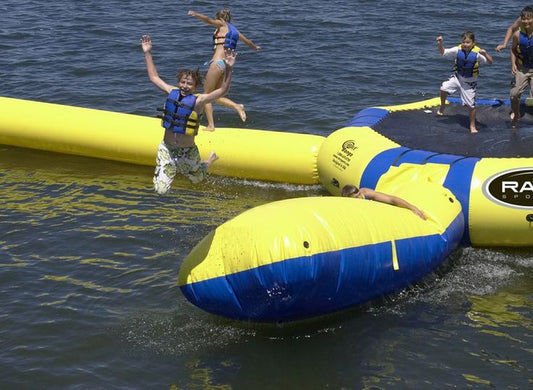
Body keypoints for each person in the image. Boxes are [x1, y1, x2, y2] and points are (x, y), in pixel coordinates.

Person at [141, 34, 236, 195]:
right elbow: (154, 77)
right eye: (183, 82)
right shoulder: (171, 91)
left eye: (189, 83)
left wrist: (228, 68)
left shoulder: (199, 101)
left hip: (188, 150)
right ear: (179, 82)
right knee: (161, 190)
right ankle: (170, 169)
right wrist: (147, 52)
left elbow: (222, 90)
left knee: (198, 179)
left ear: (195, 86)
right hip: (168, 149)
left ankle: (210, 160)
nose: (185, 86)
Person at [188, 9, 261, 130]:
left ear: (220, 18)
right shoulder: (234, 31)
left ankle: (211, 125)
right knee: (215, 95)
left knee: (206, 95)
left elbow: (208, 20)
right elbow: (248, 42)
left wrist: (196, 14)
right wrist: (255, 47)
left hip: (216, 64)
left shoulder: (221, 24)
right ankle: (237, 106)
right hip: (226, 65)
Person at [436, 31, 493, 134]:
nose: (465, 45)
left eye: (468, 42)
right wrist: (440, 44)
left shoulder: (477, 54)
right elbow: (442, 52)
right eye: (464, 42)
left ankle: (472, 125)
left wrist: (485, 54)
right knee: (443, 89)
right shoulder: (457, 50)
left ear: (473, 43)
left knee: (471, 106)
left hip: (469, 83)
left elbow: (490, 62)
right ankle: (443, 106)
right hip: (457, 78)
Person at [341, 184, 426, 220]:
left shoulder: (364, 192)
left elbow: (391, 199)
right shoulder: (349, 205)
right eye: (356, 197)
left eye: (359, 194)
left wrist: (411, 207)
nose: (361, 197)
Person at [510, 6, 533, 129]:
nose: (526, 22)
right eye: (523, 19)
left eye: (529, 19)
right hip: (522, 68)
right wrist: (513, 63)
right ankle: (516, 115)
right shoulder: (517, 34)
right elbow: (513, 49)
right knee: (514, 94)